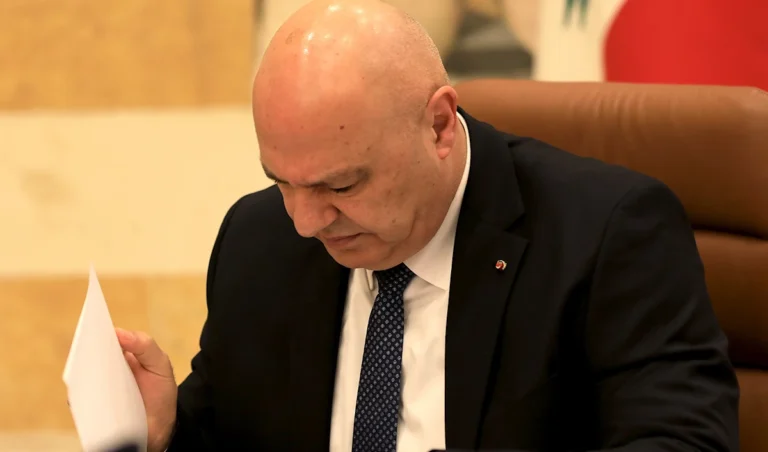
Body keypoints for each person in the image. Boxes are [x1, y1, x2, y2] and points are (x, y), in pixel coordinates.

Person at [116, 0, 740, 450]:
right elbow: (229, 434)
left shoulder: (608, 235)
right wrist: (168, 434)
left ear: (439, 126)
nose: (306, 222)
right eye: (282, 182)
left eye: (341, 185)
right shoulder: (260, 240)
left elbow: (679, 439)